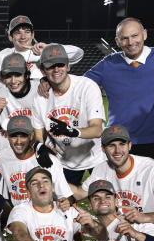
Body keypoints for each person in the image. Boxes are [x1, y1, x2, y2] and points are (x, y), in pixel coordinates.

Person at [79, 125, 154, 241]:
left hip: (151, 222)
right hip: (120, 224)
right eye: (111, 145)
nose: (117, 150)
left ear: (130, 145)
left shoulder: (152, 168)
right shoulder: (101, 169)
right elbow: (80, 192)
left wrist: (144, 217)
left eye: (122, 144)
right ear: (103, 149)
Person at [83, 18, 154, 158]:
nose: (131, 42)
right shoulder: (108, 64)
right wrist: (47, 78)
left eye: (135, 35)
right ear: (117, 41)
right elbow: (79, 85)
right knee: (119, 179)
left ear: (144, 34)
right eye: (124, 38)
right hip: (119, 139)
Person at [29, 44, 106, 185]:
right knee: (64, 204)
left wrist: (72, 131)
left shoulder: (87, 86)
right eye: (51, 66)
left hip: (96, 157)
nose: (56, 69)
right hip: (65, 161)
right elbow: (38, 135)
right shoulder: (40, 98)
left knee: (105, 202)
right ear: (43, 71)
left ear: (68, 66)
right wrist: (40, 147)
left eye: (60, 64)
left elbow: (97, 129)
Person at [0, 116, 71, 207]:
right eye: (14, 136)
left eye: (23, 136)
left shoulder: (49, 161)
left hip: (42, 214)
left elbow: (66, 196)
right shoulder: (2, 157)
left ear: (31, 136)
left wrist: (65, 203)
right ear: (7, 136)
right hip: (17, 214)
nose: (18, 141)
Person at [0, 15, 84, 81]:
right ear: (10, 37)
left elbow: (78, 53)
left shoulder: (45, 51)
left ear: (32, 35)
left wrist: (48, 48)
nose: (23, 37)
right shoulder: (3, 55)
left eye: (27, 32)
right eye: (18, 33)